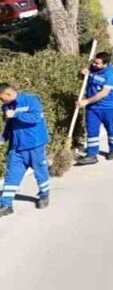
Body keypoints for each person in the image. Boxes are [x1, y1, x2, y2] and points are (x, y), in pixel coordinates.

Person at [0, 84, 51, 216]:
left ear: (8, 94)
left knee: (40, 172)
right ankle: (6, 204)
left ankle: (44, 196)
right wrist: (3, 138)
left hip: (34, 145)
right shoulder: (6, 106)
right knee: (11, 175)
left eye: (1, 98)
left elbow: (36, 118)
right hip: (16, 147)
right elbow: (9, 125)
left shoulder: (31, 100)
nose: (1, 101)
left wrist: (16, 114)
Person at [75, 52, 113, 165]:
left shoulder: (112, 76)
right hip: (93, 108)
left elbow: (102, 94)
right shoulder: (92, 68)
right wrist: (81, 74)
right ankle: (92, 155)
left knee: (111, 129)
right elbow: (83, 78)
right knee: (91, 130)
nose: (94, 65)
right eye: (94, 62)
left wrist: (85, 102)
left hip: (109, 108)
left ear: (106, 64)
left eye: (97, 63)